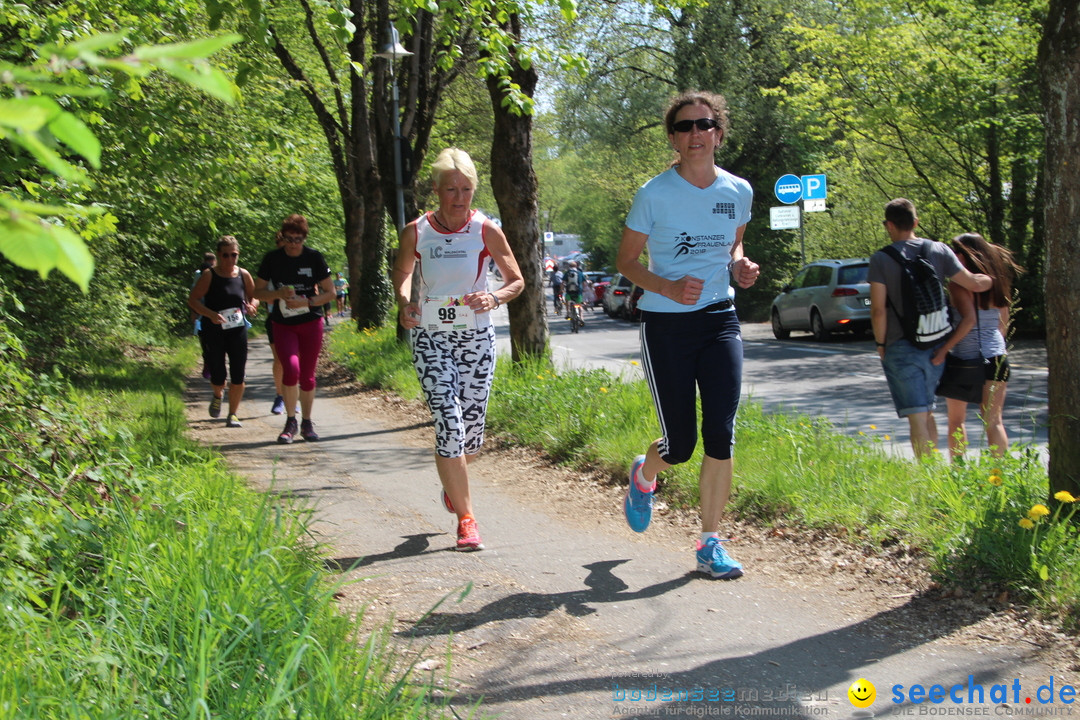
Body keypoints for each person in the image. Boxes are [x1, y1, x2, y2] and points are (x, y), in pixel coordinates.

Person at [616, 91, 760, 580]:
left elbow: (735, 240)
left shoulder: (738, 191)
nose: (694, 134)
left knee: (721, 434)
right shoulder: (654, 193)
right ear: (673, 139)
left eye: (703, 124)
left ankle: (709, 544)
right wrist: (669, 287)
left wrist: (739, 265)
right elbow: (626, 261)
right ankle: (644, 474)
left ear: (718, 132)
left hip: (720, 319)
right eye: (683, 127)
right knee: (681, 444)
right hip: (667, 325)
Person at [392, 148, 523, 552]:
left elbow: (516, 280)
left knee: (470, 438)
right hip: (431, 337)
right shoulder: (417, 230)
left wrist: (495, 298)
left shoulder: (486, 230)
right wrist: (404, 303)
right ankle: (467, 520)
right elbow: (402, 274)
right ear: (435, 189)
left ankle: (454, 484)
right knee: (448, 422)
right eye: (451, 189)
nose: (459, 197)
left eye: (466, 189)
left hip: (475, 339)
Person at [868, 199, 992, 459]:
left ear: (888, 225)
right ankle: (937, 474)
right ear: (916, 222)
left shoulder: (881, 259)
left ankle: (928, 476)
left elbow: (878, 310)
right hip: (936, 342)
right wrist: (993, 276)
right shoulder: (939, 250)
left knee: (918, 416)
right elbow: (972, 283)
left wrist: (881, 345)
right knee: (929, 409)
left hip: (900, 346)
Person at [930, 233, 1023, 459]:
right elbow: (1003, 322)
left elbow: (968, 321)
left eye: (953, 255)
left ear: (961, 256)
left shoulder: (958, 286)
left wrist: (943, 350)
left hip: (965, 359)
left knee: (956, 421)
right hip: (997, 357)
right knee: (993, 421)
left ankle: (959, 471)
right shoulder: (998, 283)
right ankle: (999, 474)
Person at [253, 214, 335, 444]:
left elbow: (331, 292)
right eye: (289, 239)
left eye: (298, 239)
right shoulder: (272, 259)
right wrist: (277, 294)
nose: (293, 244)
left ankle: (307, 422)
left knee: (307, 376)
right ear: (283, 237)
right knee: (290, 368)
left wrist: (307, 301)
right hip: (283, 323)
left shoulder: (314, 258)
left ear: (304, 238)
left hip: (310, 321)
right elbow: (256, 293)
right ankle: (290, 421)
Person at [188, 237, 258, 428]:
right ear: (219, 255)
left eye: (233, 255)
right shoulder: (209, 275)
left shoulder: (243, 274)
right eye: (225, 255)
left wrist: (252, 306)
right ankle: (218, 394)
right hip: (214, 330)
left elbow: (254, 297)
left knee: (238, 373)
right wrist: (210, 314)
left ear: (238, 255)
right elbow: (193, 300)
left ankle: (233, 414)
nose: (230, 259)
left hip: (237, 329)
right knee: (218, 374)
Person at [193, 251, 216, 380]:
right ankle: (207, 362)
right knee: (204, 339)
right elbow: (194, 293)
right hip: (202, 311)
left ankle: (217, 364)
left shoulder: (220, 273)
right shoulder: (198, 274)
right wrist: (194, 312)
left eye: (212, 265)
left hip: (216, 311)